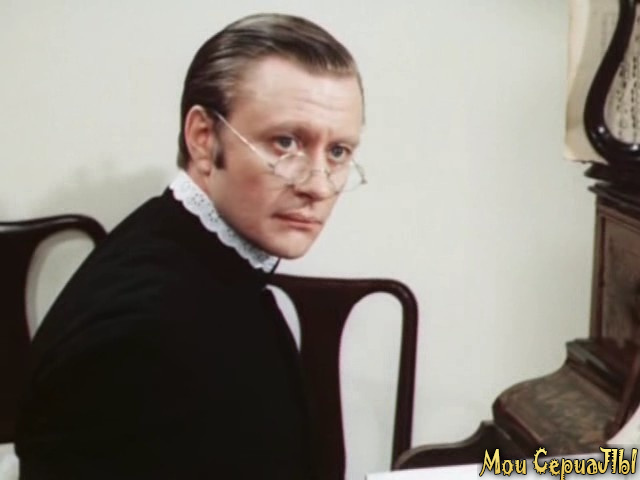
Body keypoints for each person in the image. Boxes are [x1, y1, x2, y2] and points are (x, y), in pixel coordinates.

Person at [14, 13, 366, 480]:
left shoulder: (200, 252)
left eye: (338, 152)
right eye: (286, 142)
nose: (318, 186)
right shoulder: (142, 333)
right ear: (203, 138)